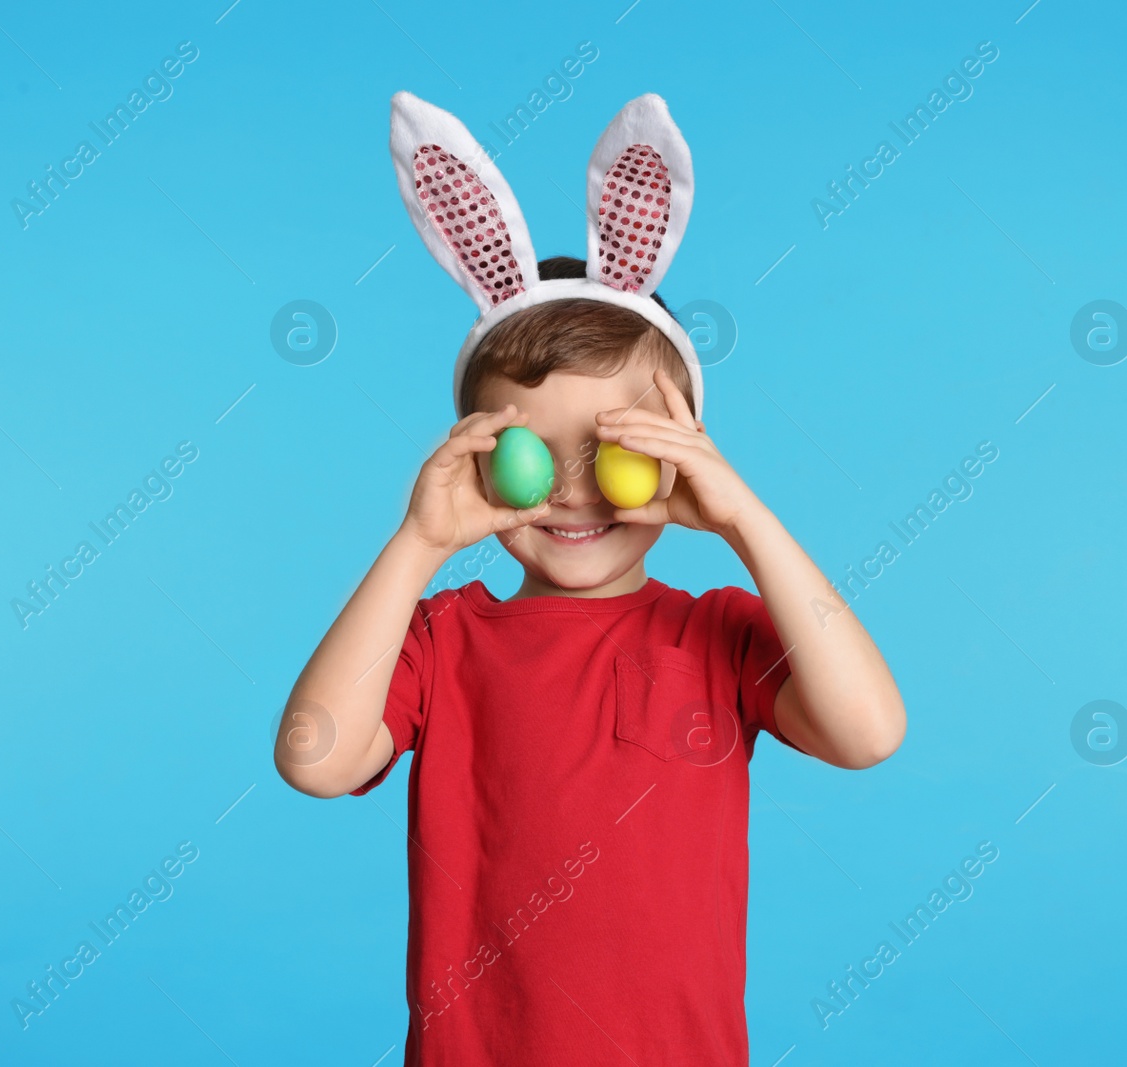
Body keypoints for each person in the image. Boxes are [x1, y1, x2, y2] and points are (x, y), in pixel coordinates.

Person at [275, 92, 906, 1066]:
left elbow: (868, 732)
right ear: (479, 459)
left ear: (679, 455)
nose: (572, 492)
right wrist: (416, 542)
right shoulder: (441, 639)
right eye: (532, 451)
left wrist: (745, 517)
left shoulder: (719, 633)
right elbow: (316, 757)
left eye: (612, 447)